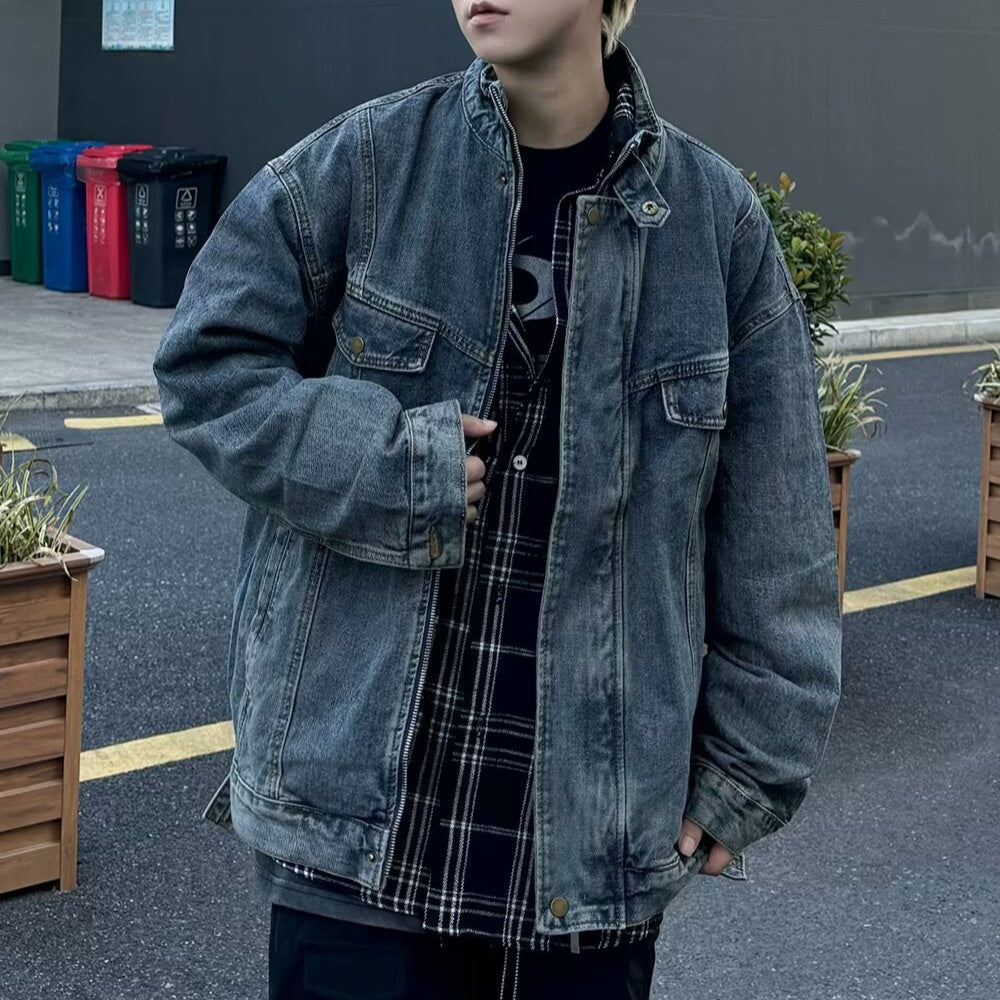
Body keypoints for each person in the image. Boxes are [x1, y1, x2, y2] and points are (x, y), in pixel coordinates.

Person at [152, 1, 843, 997]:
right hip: (358, 847)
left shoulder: (714, 223)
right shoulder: (368, 163)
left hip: (586, 861)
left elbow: (778, 531)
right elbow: (206, 366)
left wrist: (749, 768)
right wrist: (390, 468)